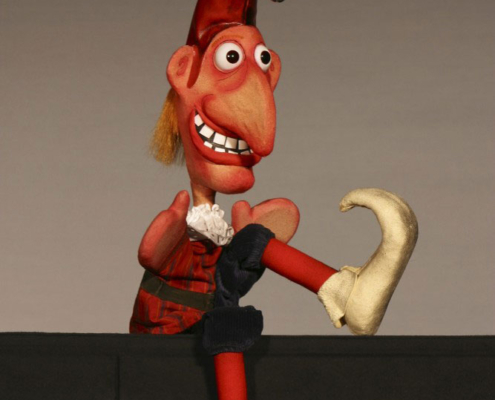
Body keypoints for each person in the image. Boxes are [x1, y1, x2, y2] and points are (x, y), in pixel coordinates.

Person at [130, 1, 418, 399]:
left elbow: (229, 274)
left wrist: (244, 257)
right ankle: (343, 291)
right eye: (231, 58)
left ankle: (346, 292)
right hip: (162, 337)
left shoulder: (226, 230)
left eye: (263, 61)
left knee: (238, 287)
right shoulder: (183, 222)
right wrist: (174, 235)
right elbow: (154, 255)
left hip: (211, 319)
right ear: (183, 70)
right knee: (230, 317)